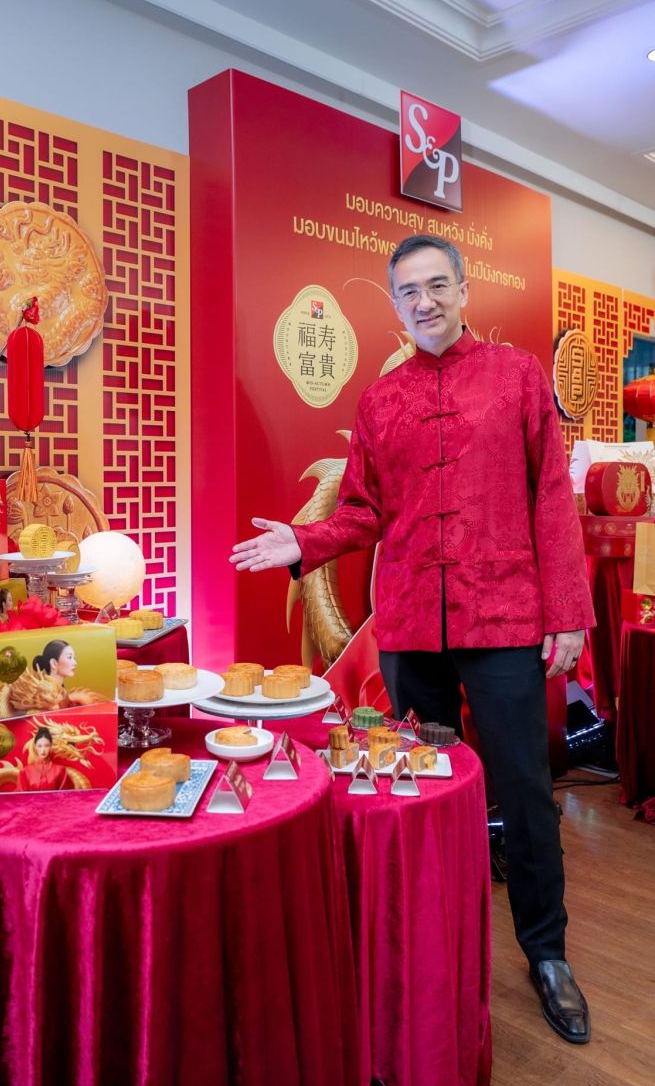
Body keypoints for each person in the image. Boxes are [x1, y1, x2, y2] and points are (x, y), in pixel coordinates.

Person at [231, 234, 594, 1044]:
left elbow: (549, 497)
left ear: (462, 291)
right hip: (409, 627)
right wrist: (303, 541)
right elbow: (362, 510)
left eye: (436, 286)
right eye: (407, 291)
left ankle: (546, 953)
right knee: (420, 789)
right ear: (393, 303)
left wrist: (567, 613)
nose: (423, 302)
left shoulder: (515, 377)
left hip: (501, 620)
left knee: (523, 792)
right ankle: (435, 941)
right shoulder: (380, 401)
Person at [16, 726, 71, 792]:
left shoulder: (60, 770)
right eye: (39, 746)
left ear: (50, 746)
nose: (43, 750)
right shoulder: (25, 772)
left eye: (46, 746)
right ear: (35, 747)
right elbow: (20, 795)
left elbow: (67, 794)